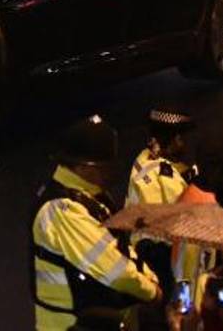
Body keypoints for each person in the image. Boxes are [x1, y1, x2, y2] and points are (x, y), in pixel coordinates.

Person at [31, 115, 162, 330]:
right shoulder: (62, 211)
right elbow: (113, 269)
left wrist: (148, 276)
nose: (111, 174)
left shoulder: (91, 197)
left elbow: (121, 248)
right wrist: (151, 292)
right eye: (105, 168)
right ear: (84, 167)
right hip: (70, 325)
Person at [126, 110, 196, 206]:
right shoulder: (164, 177)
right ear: (177, 139)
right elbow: (188, 212)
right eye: (185, 138)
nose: (188, 145)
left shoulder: (144, 158)